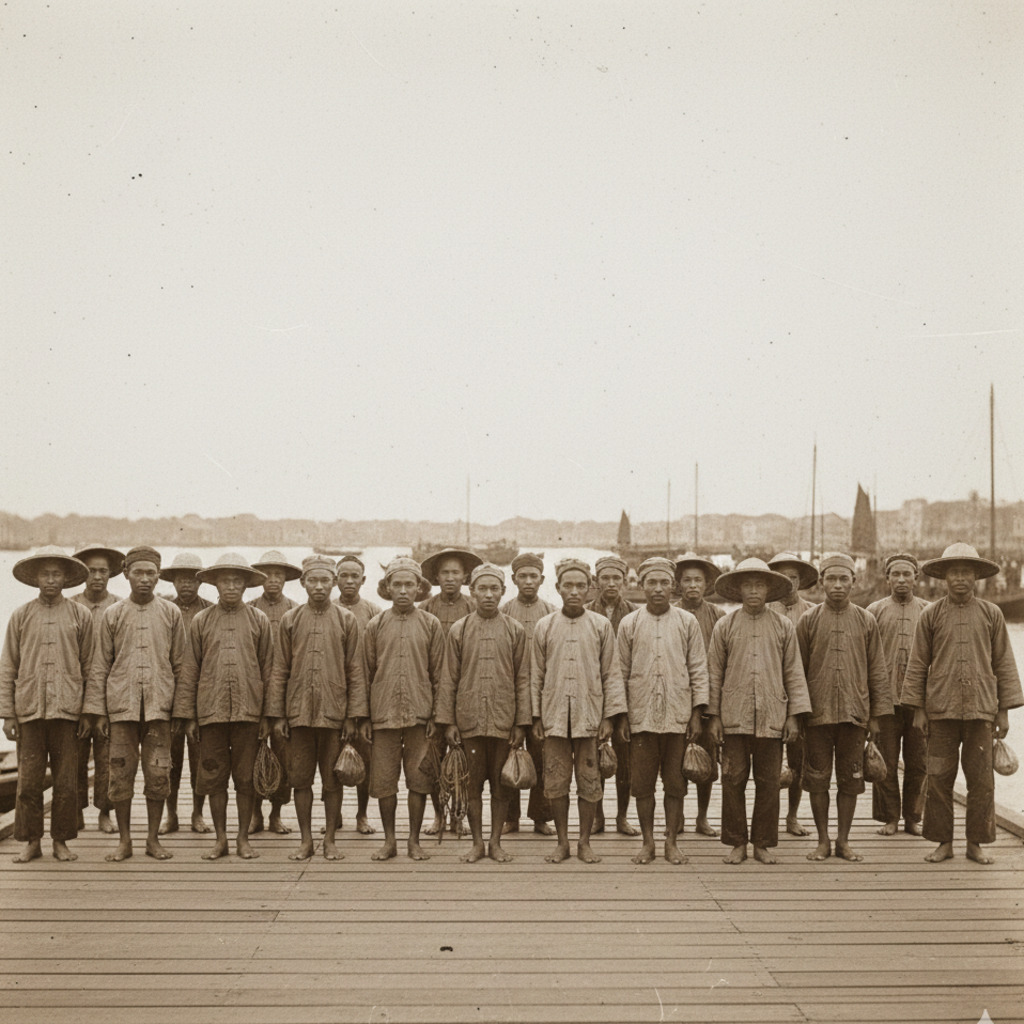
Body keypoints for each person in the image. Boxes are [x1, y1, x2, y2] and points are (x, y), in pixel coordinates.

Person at [901, 543, 1023, 865]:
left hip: (981, 710)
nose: (960, 578)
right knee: (939, 778)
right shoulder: (931, 615)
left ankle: (976, 843)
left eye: (966, 572)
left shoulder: (991, 614)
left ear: (976, 577)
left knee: (981, 780)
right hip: (941, 711)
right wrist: (919, 709)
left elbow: (1004, 665)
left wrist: (1003, 711)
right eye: (954, 572)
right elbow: (918, 664)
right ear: (944, 577)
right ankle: (944, 842)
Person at [84, 546, 185, 862]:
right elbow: (100, 665)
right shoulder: (113, 614)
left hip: (159, 710)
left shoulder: (171, 613)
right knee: (120, 774)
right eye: (138, 573)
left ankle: (152, 840)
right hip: (121, 710)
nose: (144, 579)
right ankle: (125, 840)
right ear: (126, 574)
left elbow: (181, 665)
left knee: (158, 775)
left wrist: (180, 711)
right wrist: (98, 712)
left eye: (150, 573)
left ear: (158, 576)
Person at [707, 559, 811, 865]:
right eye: (748, 585)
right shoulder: (725, 625)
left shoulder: (783, 626)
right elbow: (714, 673)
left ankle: (763, 843)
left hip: (772, 716)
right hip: (733, 716)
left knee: (768, 781)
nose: (754, 591)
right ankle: (737, 842)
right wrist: (713, 716)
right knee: (733, 778)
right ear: (738, 590)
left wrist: (793, 715)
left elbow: (793, 672)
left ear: (769, 589)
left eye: (760, 585)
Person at [266, 555, 367, 861]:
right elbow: (279, 669)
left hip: (335, 715)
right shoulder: (291, 620)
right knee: (300, 779)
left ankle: (331, 840)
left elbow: (356, 671)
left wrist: (352, 716)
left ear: (334, 583)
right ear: (303, 583)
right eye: (313, 580)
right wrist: (279, 715)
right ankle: (306, 839)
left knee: (332, 779)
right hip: (298, 715)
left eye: (325, 581)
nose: (320, 586)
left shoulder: (347, 620)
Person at [174, 553, 273, 860]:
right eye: (225, 580)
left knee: (245, 779)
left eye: (237, 580)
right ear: (214, 584)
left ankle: (243, 838)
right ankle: (220, 839)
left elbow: (268, 670)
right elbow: (190, 670)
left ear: (246, 585)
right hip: (210, 714)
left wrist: (268, 716)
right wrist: (188, 717)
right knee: (214, 778)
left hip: (249, 714)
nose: (231, 586)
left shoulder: (259, 620)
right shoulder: (201, 621)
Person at [796, 553, 891, 862]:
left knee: (851, 780)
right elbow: (797, 672)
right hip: (817, 716)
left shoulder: (866, 620)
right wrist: (798, 716)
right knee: (818, 778)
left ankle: (843, 841)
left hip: (855, 715)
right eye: (831, 579)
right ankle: (823, 840)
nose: (837, 585)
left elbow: (877, 669)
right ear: (821, 582)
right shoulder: (808, 621)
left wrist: (876, 716)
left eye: (844, 579)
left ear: (854, 581)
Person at [532, 558, 627, 865]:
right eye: (568, 586)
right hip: (555, 720)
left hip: (589, 718)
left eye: (580, 586)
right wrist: (536, 717)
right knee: (556, 782)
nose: (574, 591)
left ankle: (584, 842)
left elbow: (611, 673)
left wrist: (609, 718)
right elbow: (536, 675)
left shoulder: (600, 626)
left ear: (590, 588)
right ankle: (562, 842)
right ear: (558, 588)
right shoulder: (544, 626)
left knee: (589, 781)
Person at [0, 547, 92, 863]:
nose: (51, 580)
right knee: (29, 781)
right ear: (36, 578)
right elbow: (8, 666)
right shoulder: (21, 615)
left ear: (66, 579)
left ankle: (61, 842)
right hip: (29, 711)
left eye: (57, 574)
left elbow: (90, 666)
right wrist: (8, 713)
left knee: (66, 782)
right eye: (45, 574)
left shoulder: (81, 615)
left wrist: (87, 712)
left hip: (68, 711)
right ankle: (31, 841)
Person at [435, 564, 530, 864]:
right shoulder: (459, 629)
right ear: (472, 592)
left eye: (494, 589)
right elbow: (448, 678)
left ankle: (496, 842)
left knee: (502, 786)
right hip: (469, 722)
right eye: (482, 589)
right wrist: (449, 721)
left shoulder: (515, 630)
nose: (488, 595)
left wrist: (521, 723)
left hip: (504, 721)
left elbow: (523, 680)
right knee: (472, 784)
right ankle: (477, 843)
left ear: (503, 592)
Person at [617, 557, 709, 866]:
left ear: (674, 586)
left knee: (675, 783)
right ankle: (648, 842)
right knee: (642, 784)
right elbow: (620, 672)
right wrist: (623, 716)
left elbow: (698, 669)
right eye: (651, 583)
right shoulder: (629, 624)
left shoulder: (687, 622)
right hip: (641, 718)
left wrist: (697, 713)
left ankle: (671, 841)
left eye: (664, 583)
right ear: (640, 586)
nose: (658, 589)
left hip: (677, 717)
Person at [362, 556, 445, 861]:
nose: (403, 590)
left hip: (420, 717)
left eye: (409, 584)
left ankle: (413, 840)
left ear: (418, 588)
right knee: (384, 780)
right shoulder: (375, 625)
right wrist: (364, 717)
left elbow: (440, 675)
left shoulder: (430, 624)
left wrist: (438, 716)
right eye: (397, 584)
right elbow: (364, 674)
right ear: (387, 588)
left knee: (419, 779)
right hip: (382, 716)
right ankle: (389, 841)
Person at [866, 553, 930, 837]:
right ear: (887, 578)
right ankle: (890, 817)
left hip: (919, 704)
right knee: (886, 762)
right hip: (885, 702)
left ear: (917, 577)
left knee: (918, 763)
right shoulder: (874, 611)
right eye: (896, 574)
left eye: (907, 574)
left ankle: (913, 818)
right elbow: (864, 660)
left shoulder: (929, 611)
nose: (902, 580)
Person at [419, 547, 481, 836]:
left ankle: (460, 815)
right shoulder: (426, 610)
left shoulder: (473, 608)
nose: (450, 578)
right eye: (444, 572)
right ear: (435, 577)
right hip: (433, 693)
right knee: (435, 758)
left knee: (463, 759)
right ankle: (438, 815)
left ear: (465, 576)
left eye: (456, 572)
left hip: (464, 690)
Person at [499, 552, 556, 836]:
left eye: (534, 576)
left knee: (541, 757)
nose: (529, 581)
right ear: (514, 579)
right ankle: (511, 817)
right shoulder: (505, 610)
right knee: (510, 754)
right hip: (510, 693)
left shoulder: (550, 611)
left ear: (542, 579)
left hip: (543, 696)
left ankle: (540, 817)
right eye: (523, 576)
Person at [158, 551, 213, 836]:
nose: (186, 585)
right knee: (169, 760)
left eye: (192, 579)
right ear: (173, 581)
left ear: (200, 582)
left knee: (200, 759)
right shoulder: (164, 609)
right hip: (168, 695)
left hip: (201, 697)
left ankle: (197, 813)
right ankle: (171, 815)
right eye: (180, 579)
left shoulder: (210, 611)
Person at [71, 544, 124, 834]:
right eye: (91, 571)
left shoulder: (118, 606)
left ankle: (105, 811)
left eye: (103, 571)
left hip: (108, 695)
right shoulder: (71, 604)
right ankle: (76, 811)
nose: (97, 577)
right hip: (74, 695)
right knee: (74, 757)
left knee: (107, 758)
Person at [766, 551, 819, 837]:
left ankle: (792, 816)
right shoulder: (763, 610)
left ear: (800, 581)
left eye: (794, 578)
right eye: (783, 578)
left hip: (801, 698)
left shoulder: (812, 612)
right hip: (770, 695)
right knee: (770, 761)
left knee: (798, 760)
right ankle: (769, 816)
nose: (789, 583)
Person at [585, 555, 638, 837]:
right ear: (595, 582)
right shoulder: (584, 612)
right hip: (593, 697)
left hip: (627, 700)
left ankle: (621, 817)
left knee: (625, 763)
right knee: (594, 760)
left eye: (616, 578)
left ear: (625, 582)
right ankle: (598, 816)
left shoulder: (634, 614)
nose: (611, 583)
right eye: (605, 578)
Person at [247, 550, 300, 836]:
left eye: (279, 575)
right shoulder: (249, 608)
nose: (273, 581)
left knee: (283, 756)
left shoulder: (294, 611)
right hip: (253, 693)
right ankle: (254, 813)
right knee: (252, 755)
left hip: (285, 696)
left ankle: (276, 814)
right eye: (268, 575)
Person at [673, 552, 725, 837]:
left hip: (707, 701)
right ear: (679, 585)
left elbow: (722, 662)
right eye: (687, 580)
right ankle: (677, 815)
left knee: (706, 760)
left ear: (707, 585)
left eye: (698, 580)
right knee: (676, 761)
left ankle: (702, 817)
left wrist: (715, 708)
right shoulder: (670, 613)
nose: (692, 585)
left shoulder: (718, 616)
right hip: (676, 700)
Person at [331, 553, 381, 835]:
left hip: (364, 698)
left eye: (354, 577)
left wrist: (366, 709)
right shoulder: (326, 608)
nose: (349, 581)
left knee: (364, 761)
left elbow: (377, 661)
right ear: (335, 579)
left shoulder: (373, 613)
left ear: (363, 580)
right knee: (331, 759)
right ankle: (334, 812)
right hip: (332, 696)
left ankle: (361, 815)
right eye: (344, 576)